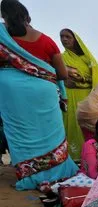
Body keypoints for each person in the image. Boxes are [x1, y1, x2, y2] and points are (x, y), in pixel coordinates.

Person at [0, 0, 78, 190]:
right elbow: (62, 74)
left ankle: (29, 174)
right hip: (44, 92)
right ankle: (58, 172)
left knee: (21, 133)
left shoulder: (2, 38)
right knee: (50, 133)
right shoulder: (46, 41)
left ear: (4, 17)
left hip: (11, 91)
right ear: (27, 17)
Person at [59, 28, 98, 160]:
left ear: (76, 40)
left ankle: (88, 157)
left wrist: (81, 81)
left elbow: (96, 78)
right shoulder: (61, 58)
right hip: (67, 96)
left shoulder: (87, 59)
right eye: (62, 37)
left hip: (86, 97)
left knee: (84, 125)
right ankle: (70, 158)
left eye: (68, 37)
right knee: (69, 124)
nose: (64, 39)